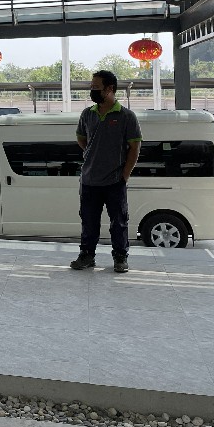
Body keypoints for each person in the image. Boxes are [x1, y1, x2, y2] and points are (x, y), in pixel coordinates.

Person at [70, 69, 142, 274]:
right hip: (89, 181)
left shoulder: (126, 116)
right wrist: (93, 153)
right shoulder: (87, 114)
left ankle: (120, 257)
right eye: (91, 86)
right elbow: (81, 138)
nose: (92, 90)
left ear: (110, 89)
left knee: (118, 222)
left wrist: (124, 175)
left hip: (115, 181)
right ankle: (87, 256)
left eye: (96, 87)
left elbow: (135, 148)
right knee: (88, 222)